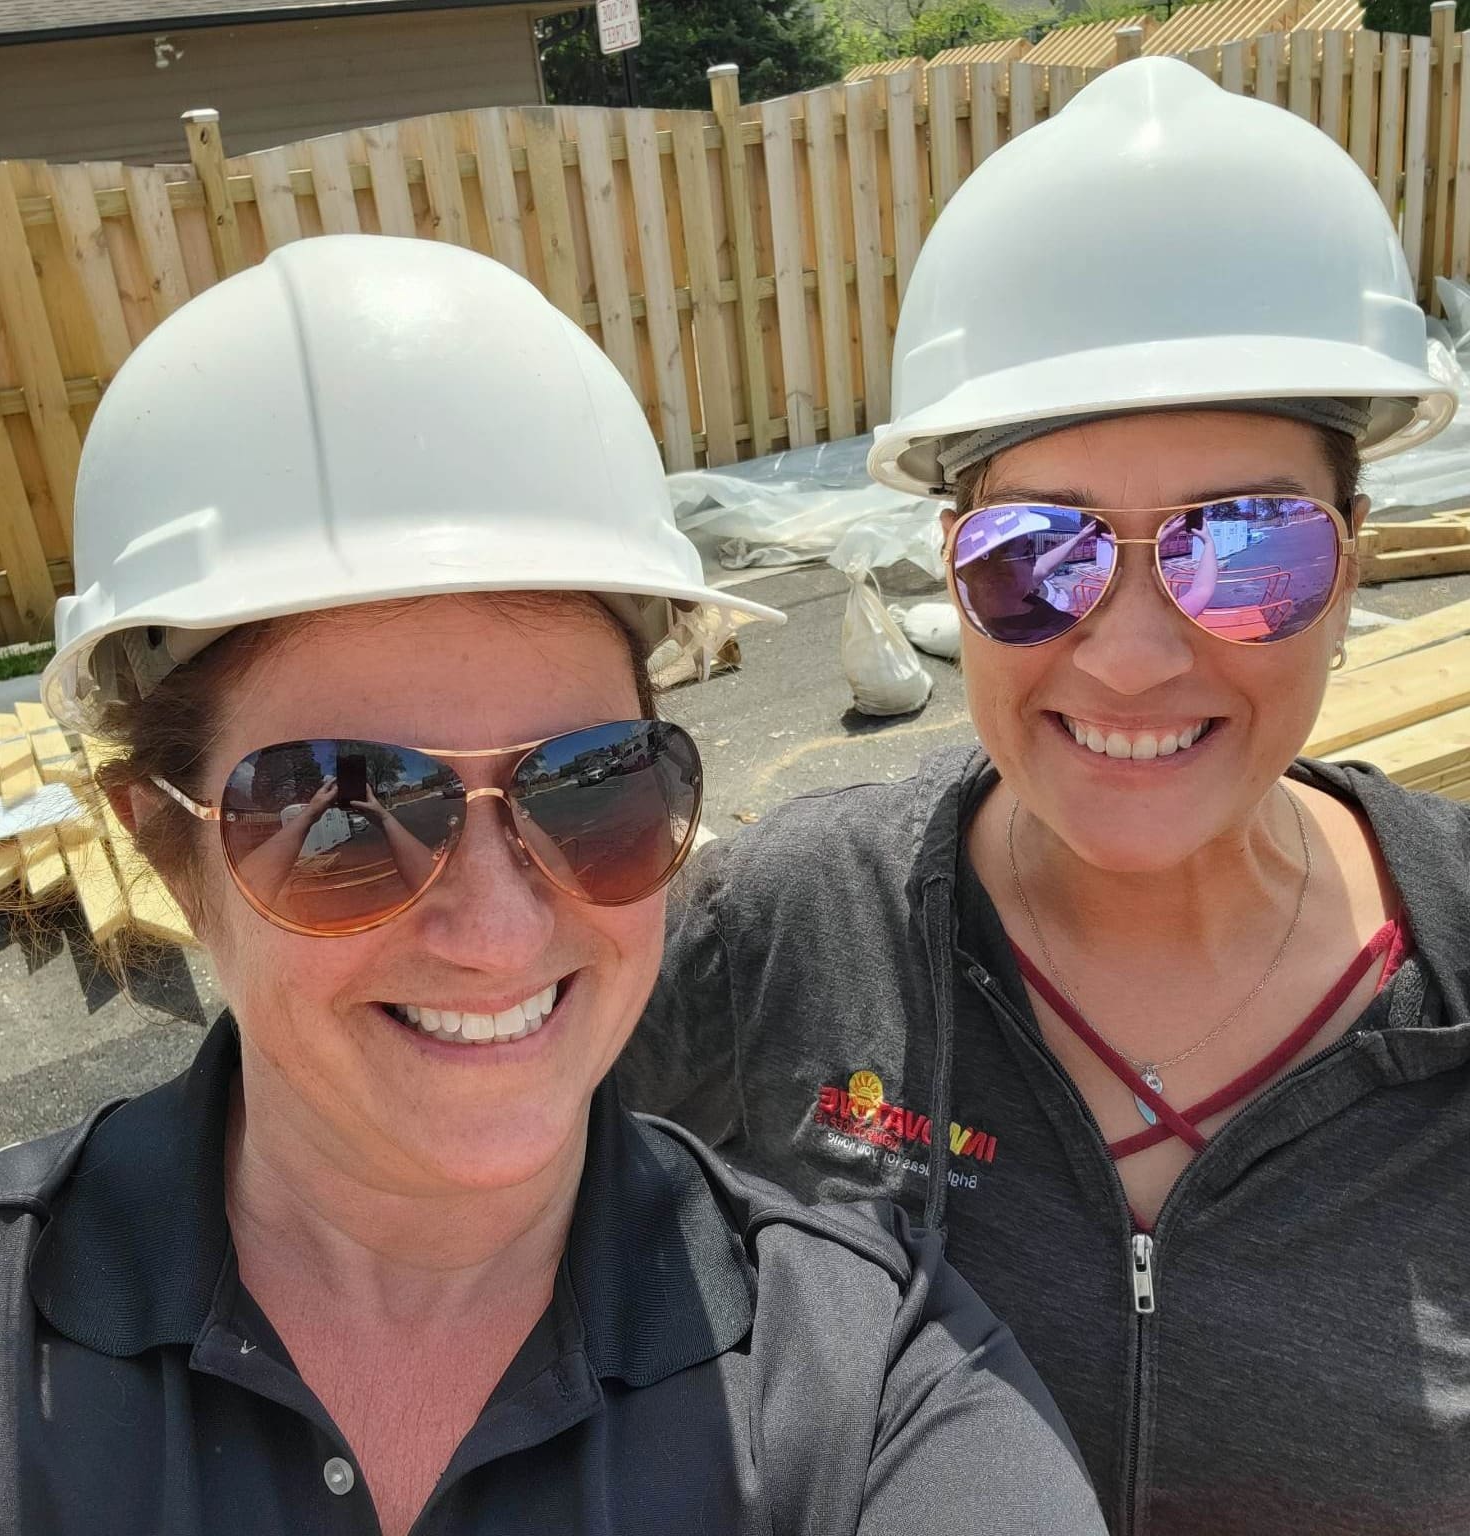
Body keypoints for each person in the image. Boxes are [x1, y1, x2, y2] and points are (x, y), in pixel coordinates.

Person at [0, 236, 1106, 1536]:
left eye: (591, 787)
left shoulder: (870, 1389)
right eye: (345, 814)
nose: (496, 933)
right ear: (169, 849)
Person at [620, 58, 1470, 1536]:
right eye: (1038, 555)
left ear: (1351, 561)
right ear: (954, 561)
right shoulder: (790, 932)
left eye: (1245, 546)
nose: (1133, 657)